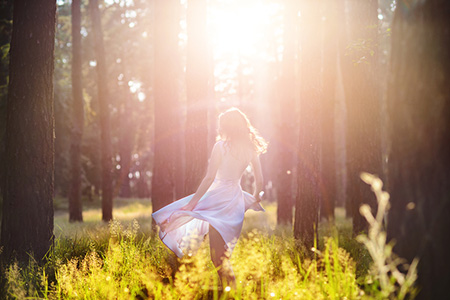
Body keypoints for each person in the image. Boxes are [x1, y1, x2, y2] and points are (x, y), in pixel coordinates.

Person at [152, 107, 267, 286]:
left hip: (217, 198)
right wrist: (253, 199)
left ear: (226, 127)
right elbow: (259, 181)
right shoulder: (250, 149)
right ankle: (230, 290)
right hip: (234, 201)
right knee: (220, 253)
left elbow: (209, 177)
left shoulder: (220, 146)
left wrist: (192, 203)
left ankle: (232, 292)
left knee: (218, 256)